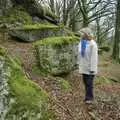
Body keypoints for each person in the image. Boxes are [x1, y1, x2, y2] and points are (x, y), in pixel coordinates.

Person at [78, 28, 98, 104]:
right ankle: (87, 97)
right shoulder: (82, 43)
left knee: (89, 83)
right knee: (85, 83)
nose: (81, 35)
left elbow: (94, 58)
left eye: (82, 34)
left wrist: (92, 69)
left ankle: (90, 98)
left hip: (90, 68)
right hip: (84, 67)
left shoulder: (93, 44)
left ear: (86, 34)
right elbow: (80, 55)